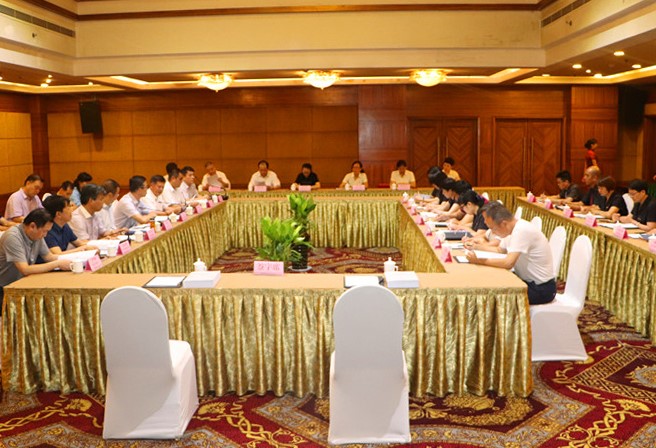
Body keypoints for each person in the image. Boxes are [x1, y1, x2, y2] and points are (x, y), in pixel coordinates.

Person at [465, 202, 556, 305]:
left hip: (540, 289)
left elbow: (508, 263)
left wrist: (480, 261)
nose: (493, 233)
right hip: (526, 281)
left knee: (492, 295)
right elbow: (500, 250)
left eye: (493, 229)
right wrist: (476, 247)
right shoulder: (511, 229)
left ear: (504, 224)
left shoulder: (521, 230)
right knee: (490, 281)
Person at [0, 209, 73, 311]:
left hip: (24, 283)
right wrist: (57, 264)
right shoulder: (12, 237)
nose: (45, 235)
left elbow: (49, 257)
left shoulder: (36, 234)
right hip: (5, 289)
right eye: (44, 231)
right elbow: (25, 269)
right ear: (32, 226)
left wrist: (73, 259)